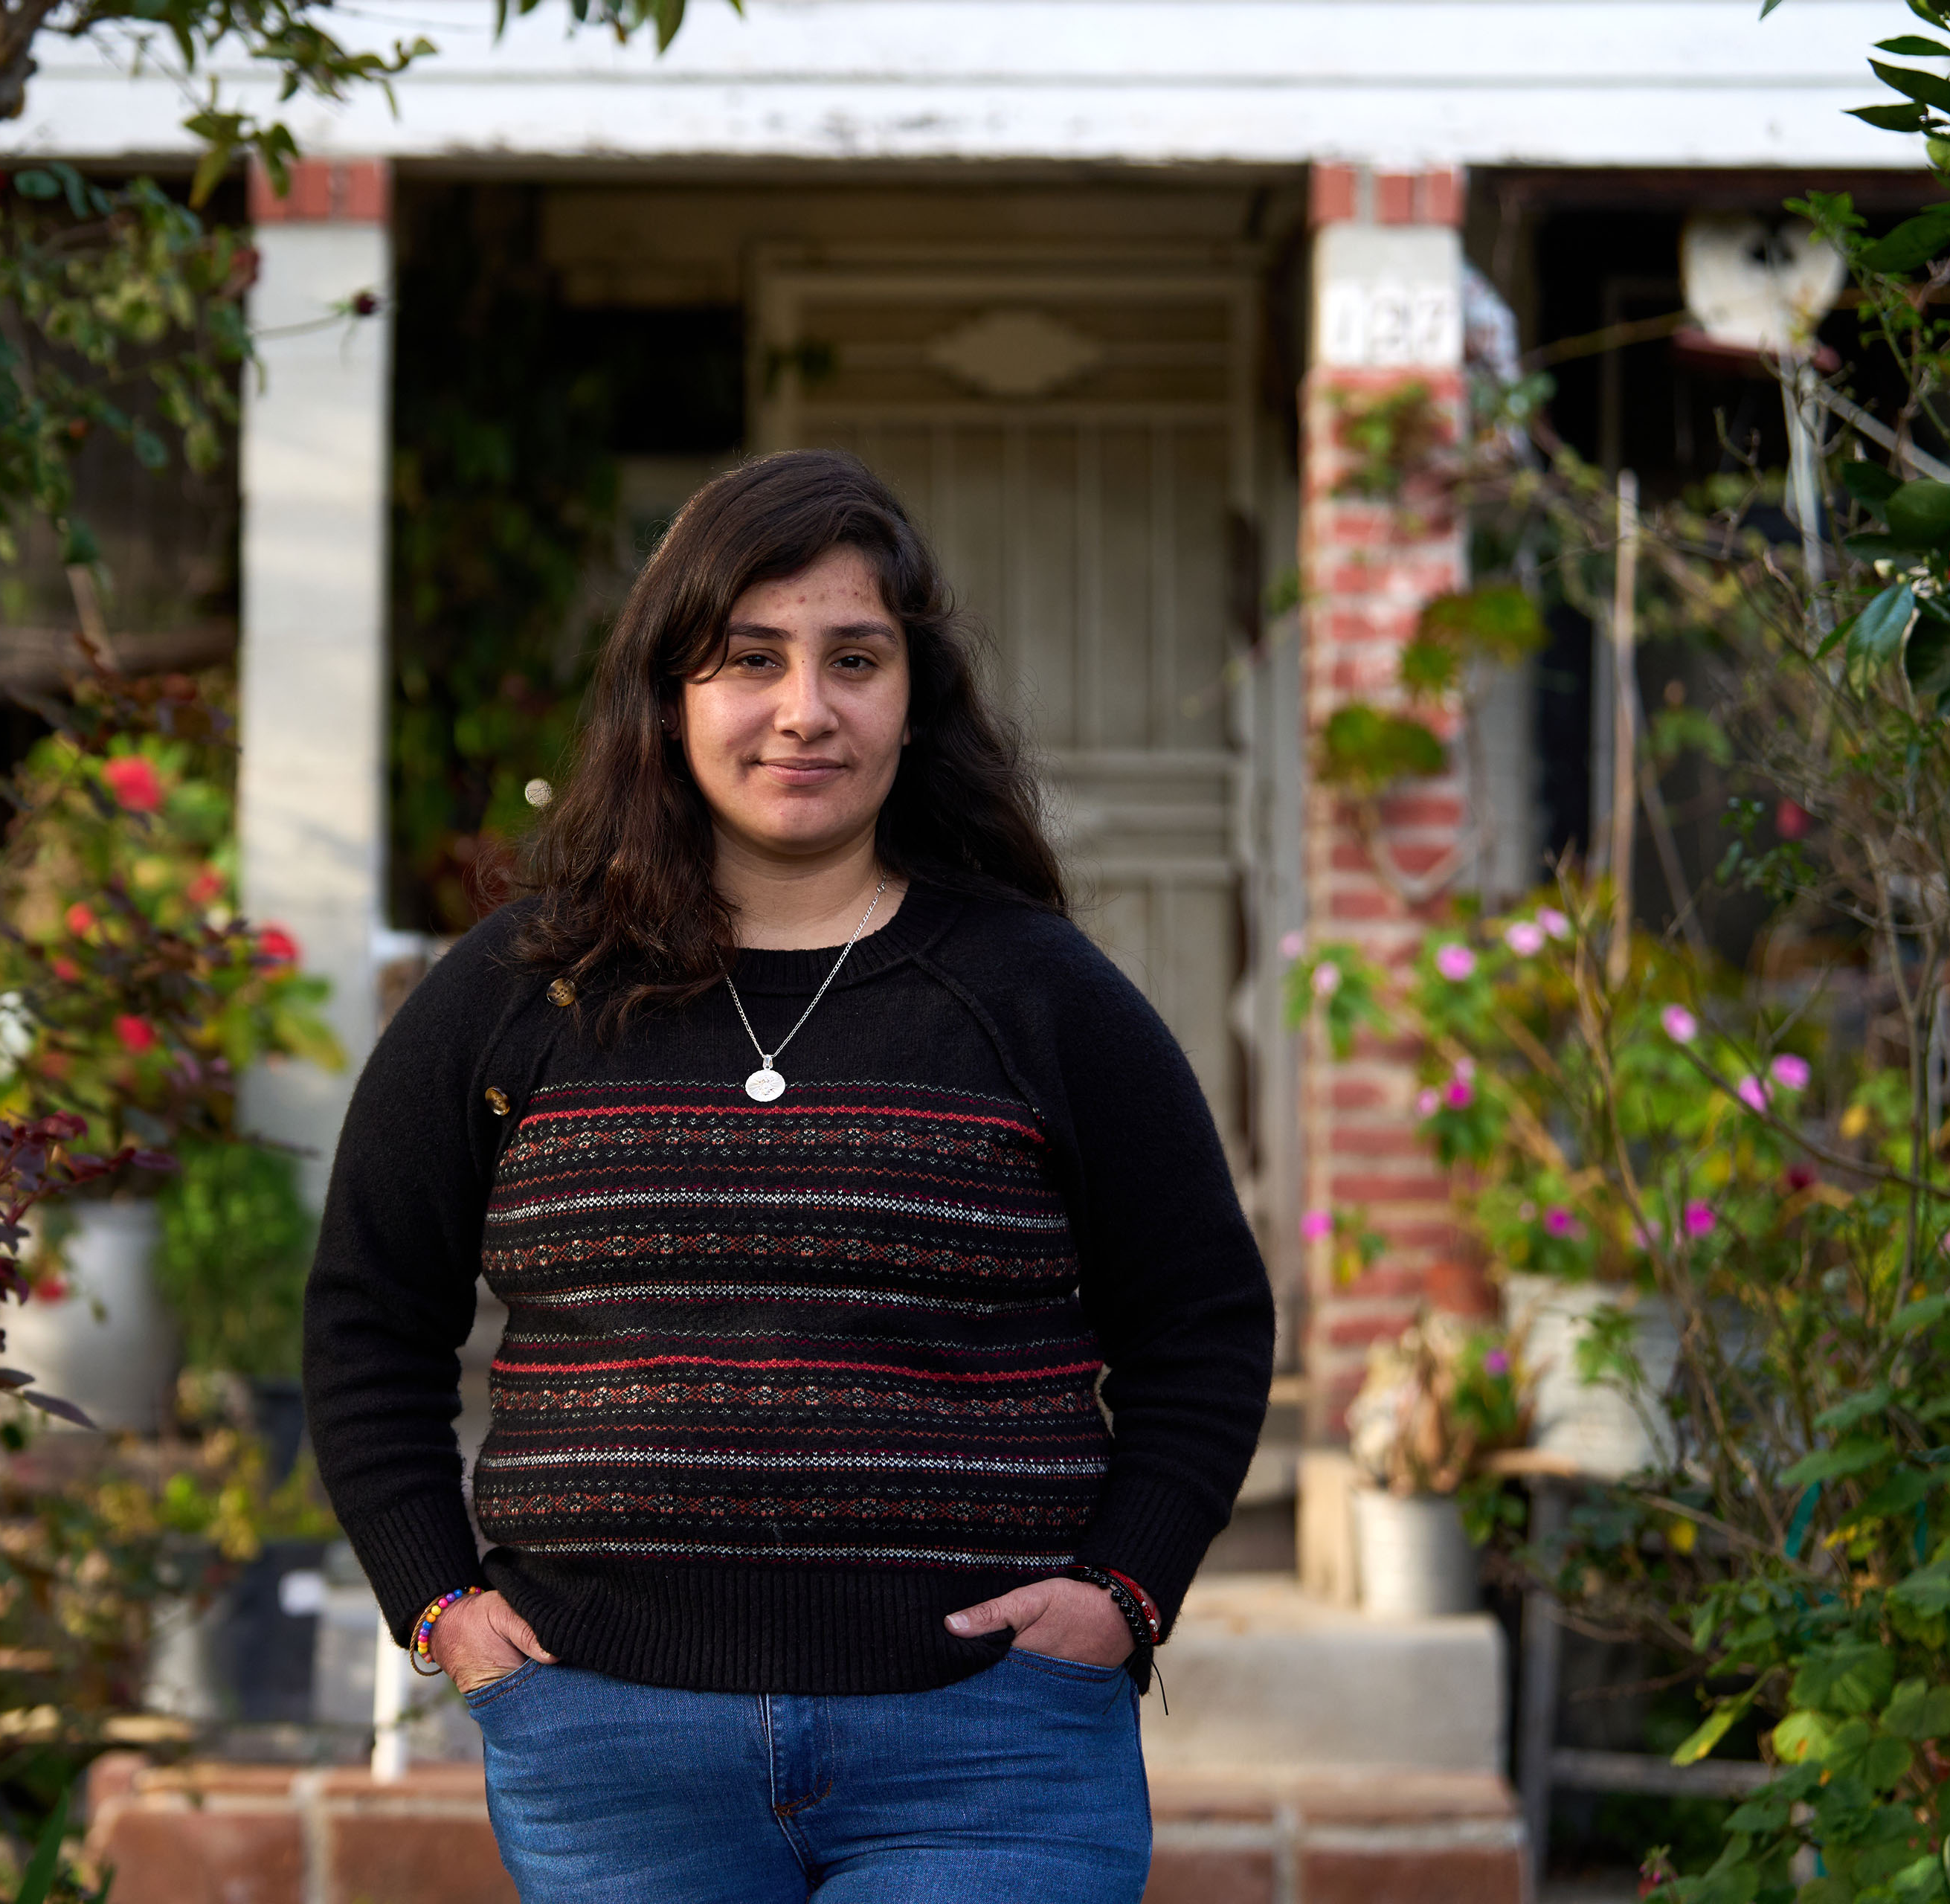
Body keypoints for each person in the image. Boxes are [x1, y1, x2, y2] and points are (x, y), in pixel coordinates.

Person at [303, 448, 1274, 1903]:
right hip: (610, 1734)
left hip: (989, 1741)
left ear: (912, 697)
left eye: (855, 659)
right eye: (751, 658)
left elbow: (1201, 1317)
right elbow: (371, 1318)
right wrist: (441, 1603)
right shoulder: (520, 992)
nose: (804, 708)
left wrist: (1122, 1591)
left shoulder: (1035, 992)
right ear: (671, 691)